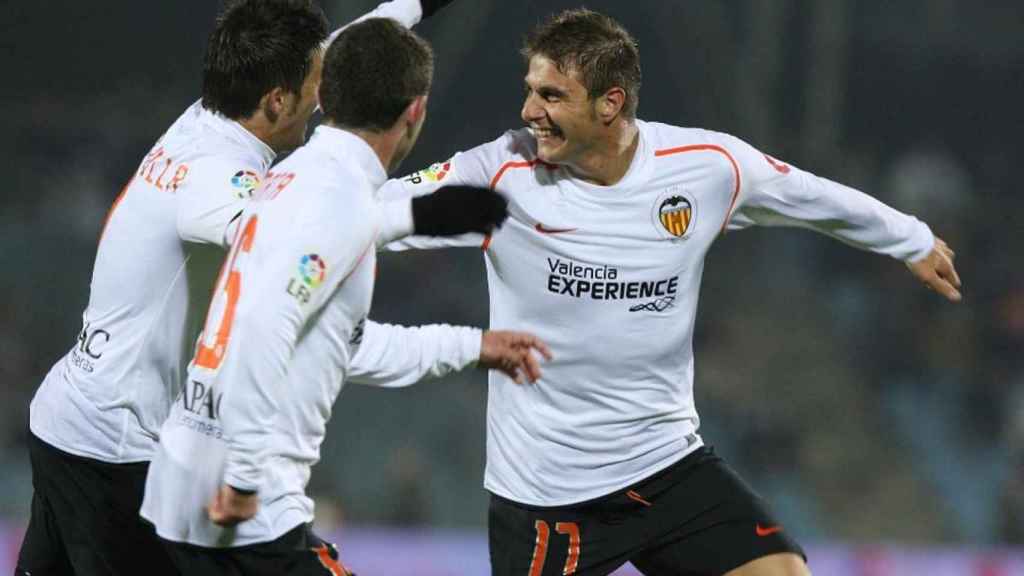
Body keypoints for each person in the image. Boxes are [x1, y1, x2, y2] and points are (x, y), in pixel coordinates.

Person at [376, 8, 963, 576]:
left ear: (611, 104)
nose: (530, 110)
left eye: (552, 96)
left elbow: (809, 198)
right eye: (531, 90)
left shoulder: (704, 166)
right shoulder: (499, 172)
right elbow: (369, 214)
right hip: (547, 493)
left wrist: (908, 239)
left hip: (667, 465)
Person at [15, 1, 514, 575]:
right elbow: (296, 238)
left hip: (68, 416)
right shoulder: (216, 176)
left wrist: (418, 6)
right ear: (279, 100)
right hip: (113, 449)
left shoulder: (212, 110)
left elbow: (351, 48)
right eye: (315, 84)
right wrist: (425, 212)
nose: (326, 94)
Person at [140, 17, 550, 576]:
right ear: (416, 112)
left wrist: (473, 345)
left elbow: (341, 344)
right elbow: (264, 325)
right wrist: (243, 477)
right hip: (242, 511)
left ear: (324, 95)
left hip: (185, 484)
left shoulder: (298, 178)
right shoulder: (335, 198)